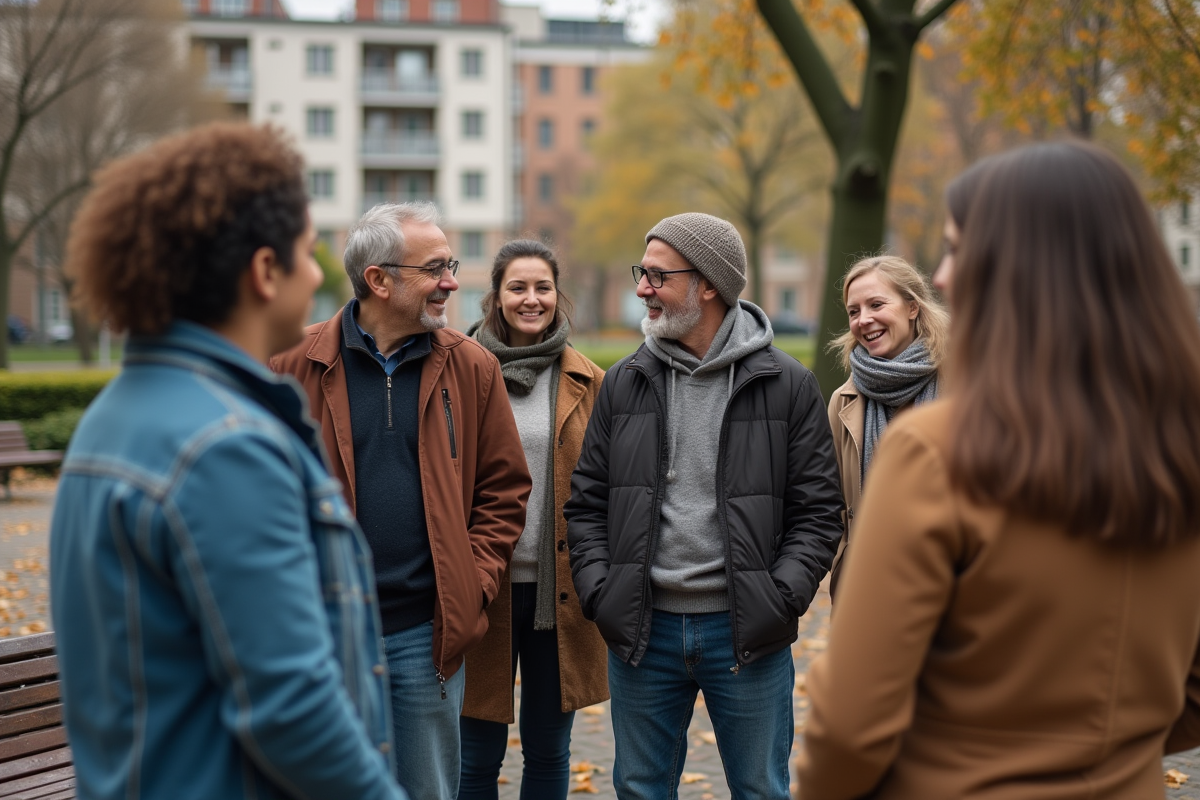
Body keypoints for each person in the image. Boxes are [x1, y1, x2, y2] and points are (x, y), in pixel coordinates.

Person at [795, 141, 1200, 799]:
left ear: (1025, 265)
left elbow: (848, 730)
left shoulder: (935, 448)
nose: (944, 275)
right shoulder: (1179, 442)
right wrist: (1106, 746)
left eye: (959, 249)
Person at [50, 123, 406, 800]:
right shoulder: (226, 447)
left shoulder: (115, 416)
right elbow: (292, 707)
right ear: (265, 271)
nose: (318, 275)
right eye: (308, 252)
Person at [565, 212, 844, 800]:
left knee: (760, 790)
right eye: (642, 273)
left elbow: (819, 513)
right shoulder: (624, 381)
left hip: (746, 632)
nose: (642, 289)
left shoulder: (788, 384)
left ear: (709, 285)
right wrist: (602, 593)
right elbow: (587, 502)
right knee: (639, 790)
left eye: (657, 276)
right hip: (642, 631)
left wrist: (778, 598)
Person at [271, 202, 530, 800]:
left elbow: (504, 490)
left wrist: (471, 584)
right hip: (323, 635)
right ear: (378, 280)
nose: (451, 283)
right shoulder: (290, 366)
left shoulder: (472, 366)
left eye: (450, 265)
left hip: (426, 636)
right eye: (434, 268)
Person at [459, 239, 608, 800]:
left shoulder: (589, 380)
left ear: (557, 294)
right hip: (481, 586)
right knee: (475, 754)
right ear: (496, 296)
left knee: (548, 750)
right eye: (517, 287)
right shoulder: (458, 370)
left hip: (559, 591)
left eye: (543, 287)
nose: (531, 299)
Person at [825, 256, 949, 598]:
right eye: (853, 311)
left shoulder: (964, 386)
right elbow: (831, 506)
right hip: (871, 589)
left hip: (954, 589)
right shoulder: (843, 402)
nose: (863, 319)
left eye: (876, 304)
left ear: (912, 307)